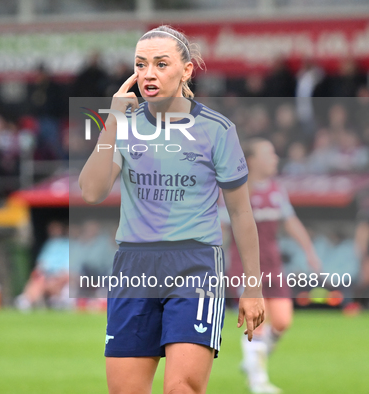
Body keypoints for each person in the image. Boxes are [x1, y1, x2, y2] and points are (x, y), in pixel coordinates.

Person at [78, 25, 265, 394]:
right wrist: (110, 123)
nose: (149, 73)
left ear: (187, 70)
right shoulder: (123, 126)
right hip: (133, 266)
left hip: (195, 264)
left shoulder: (217, 130)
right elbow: (91, 191)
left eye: (161, 64)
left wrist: (253, 285)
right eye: (141, 64)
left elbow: (242, 213)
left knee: (182, 388)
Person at [222, 138, 321, 393]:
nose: (275, 158)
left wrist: (310, 252)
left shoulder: (277, 189)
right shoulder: (236, 190)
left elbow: (291, 222)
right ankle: (258, 380)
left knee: (283, 321)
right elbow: (223, 228)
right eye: (269, 154)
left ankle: (253, 360)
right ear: (252, 160)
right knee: (257, 321)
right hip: (244, 265)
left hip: (273, 264)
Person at [15, 221, 69, 311]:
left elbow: (69, 265)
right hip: (48, 275)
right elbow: (42, 263)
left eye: (56, 229)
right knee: (38, 278)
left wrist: (57, 276)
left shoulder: (69, 244)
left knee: (64, 277)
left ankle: (57, 300)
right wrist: (41, 272)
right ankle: (27, 299)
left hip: (61, 275)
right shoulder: (50, 244)